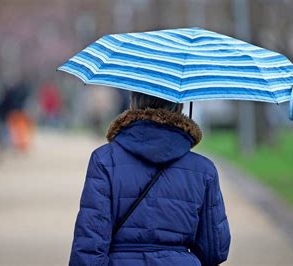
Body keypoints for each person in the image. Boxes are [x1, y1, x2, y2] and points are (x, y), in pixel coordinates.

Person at [69, 91, 231, 265]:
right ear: (180, 106)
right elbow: (215, 250)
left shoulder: (104, 160)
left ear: (132, 104)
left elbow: (89, 245)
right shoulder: (204, 170)